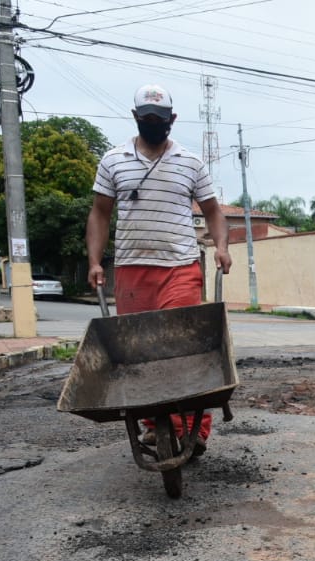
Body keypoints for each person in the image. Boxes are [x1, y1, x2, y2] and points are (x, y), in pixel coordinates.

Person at [86, 83, 232, 457]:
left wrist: (221, 247)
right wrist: (94, 261)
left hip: (180, 267)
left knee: (184, 350)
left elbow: (214, 211)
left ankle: (193, 428)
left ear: (172, 120)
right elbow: (100, 213)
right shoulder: (113, 160)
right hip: (133, 269)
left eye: (161, 119)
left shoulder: (191, 162)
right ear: (136, 118)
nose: (155, 123)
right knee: (140, 355)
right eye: (148, 118)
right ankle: (155, 425)